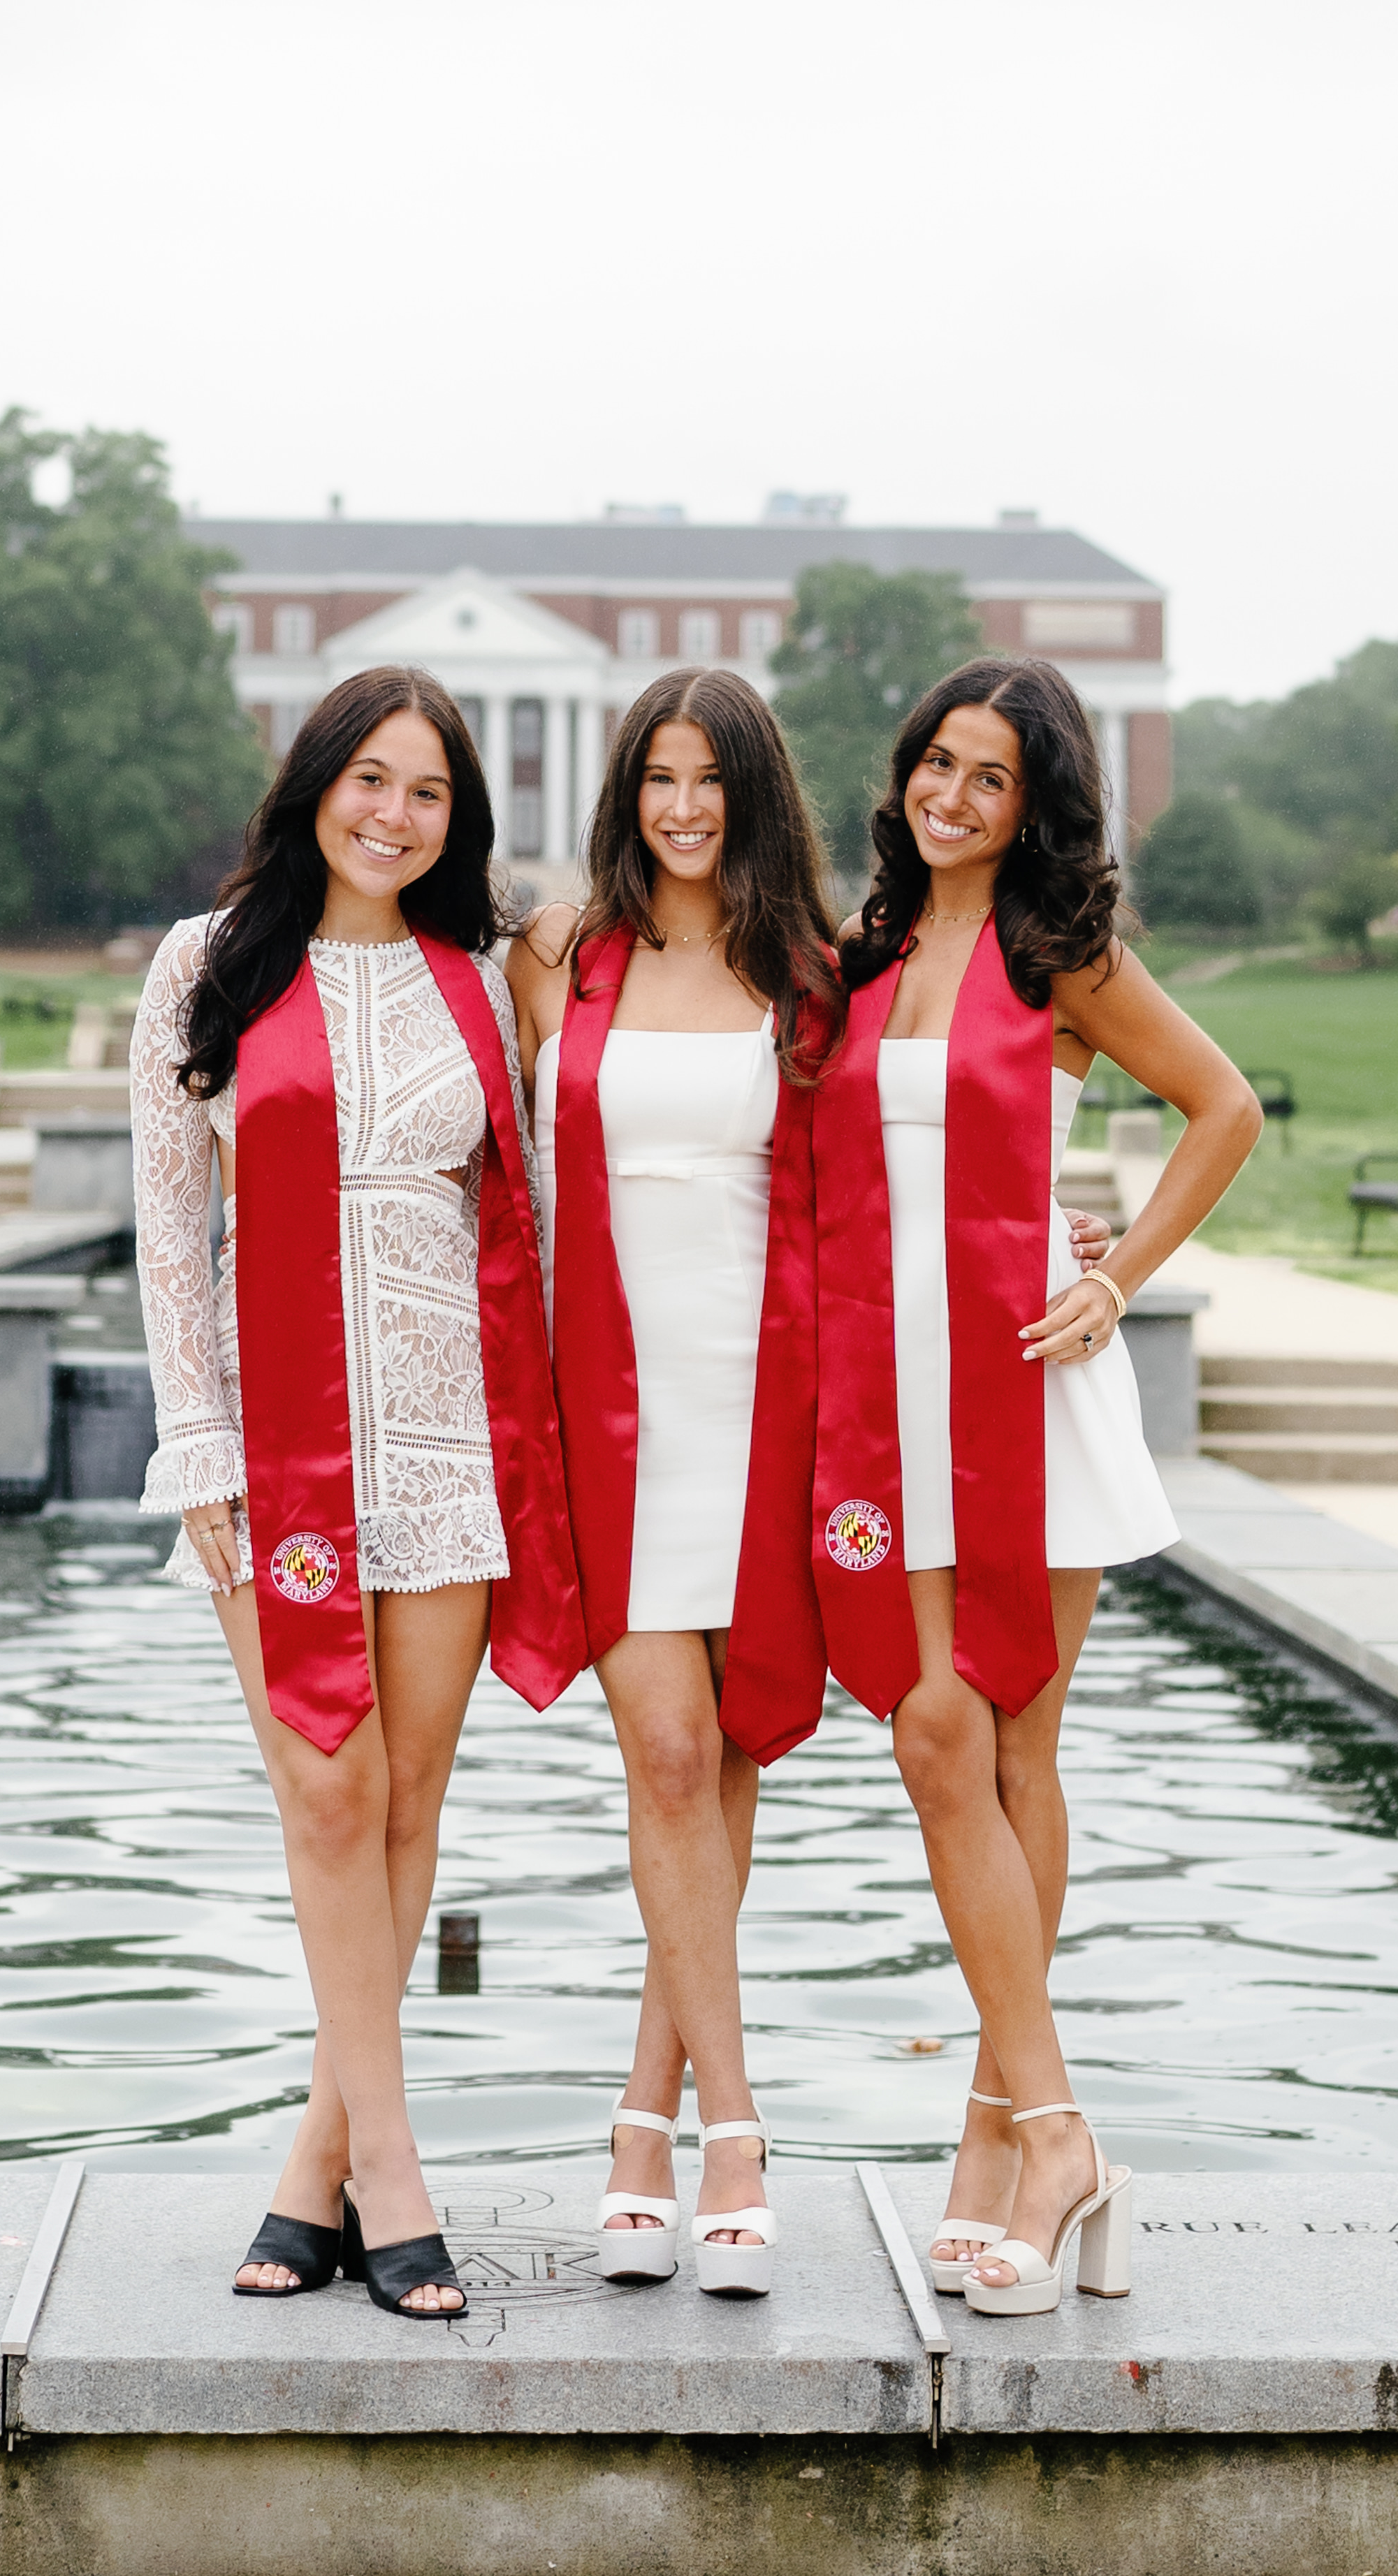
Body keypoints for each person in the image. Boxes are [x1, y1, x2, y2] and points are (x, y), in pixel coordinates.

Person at [806, 661, 1260, 2321]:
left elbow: (1223, 1107)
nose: (951, 795)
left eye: (989, 777)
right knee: (935, 1733)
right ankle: (1043, 2129)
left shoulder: (1058, 958)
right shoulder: (856, 962)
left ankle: (1004, 2144)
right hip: (885, 1407)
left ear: (1033, 802)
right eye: (935, 761)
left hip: (1020, 1395)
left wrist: (1116, 1273)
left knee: (1005, 1745)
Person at [131, 668, 583, 2318]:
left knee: (403, 1812)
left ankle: (312, 2168)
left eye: (429, 794)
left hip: (450, 1444)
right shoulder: (208, 965)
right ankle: (394, 2177)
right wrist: (200, 1446)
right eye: (369, 781)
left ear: (459, 820)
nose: (393, 816)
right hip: (282, 1451)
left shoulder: (478, 983)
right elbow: (171, 1232)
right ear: (316, 781)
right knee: (325, 1797)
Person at [508, 671, 842, 2295]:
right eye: (660, 775)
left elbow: (881, 1179)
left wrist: (1058, 1240)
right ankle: (738, 2126)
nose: (684, 807)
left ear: (755, 794)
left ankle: (643, 2118)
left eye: (712, 779)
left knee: (722, 1760)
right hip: (610, 1406)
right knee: (662, 1743)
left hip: (761, 1401)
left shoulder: (810, 977)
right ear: (627, 788)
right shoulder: (563, 954)